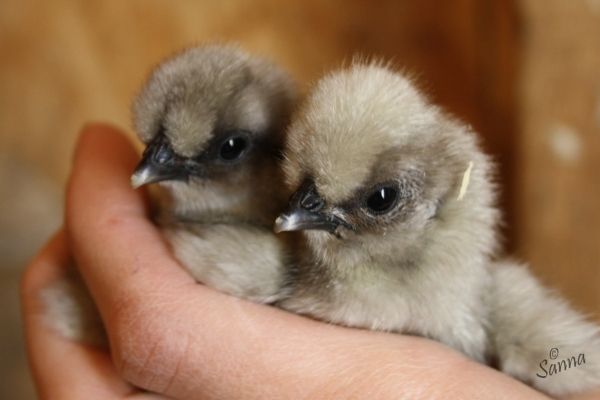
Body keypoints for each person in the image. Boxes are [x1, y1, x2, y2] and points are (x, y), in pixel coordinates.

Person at [20, 123, 598, 399]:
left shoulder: (498, 307)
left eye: (379, 199)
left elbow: (574, 368)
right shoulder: (260, 260)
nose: (297, 213)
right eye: (303, 187)